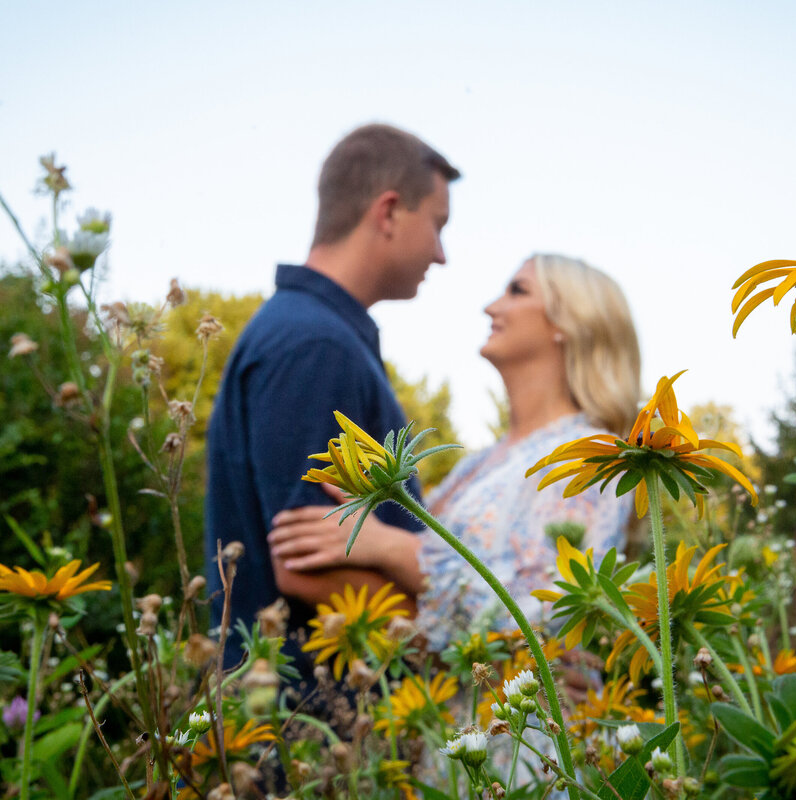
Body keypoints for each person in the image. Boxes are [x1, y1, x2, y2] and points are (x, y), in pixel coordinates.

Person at [267, 254, 642, 650]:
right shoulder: (477, 465)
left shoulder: (592, 454)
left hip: (526, 708)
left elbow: (548, 616)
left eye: (518, 290)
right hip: (462, 700)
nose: (491, 306)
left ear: (571, 322)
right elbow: (467, 622)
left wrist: (389, 547)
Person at [205, 123, 460, 677]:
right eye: (437, 225)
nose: (441, 254)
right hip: (302, 724)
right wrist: (465, 649)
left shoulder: (315, 334)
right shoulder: (314, 345)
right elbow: (308, 565)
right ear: (389, 212)